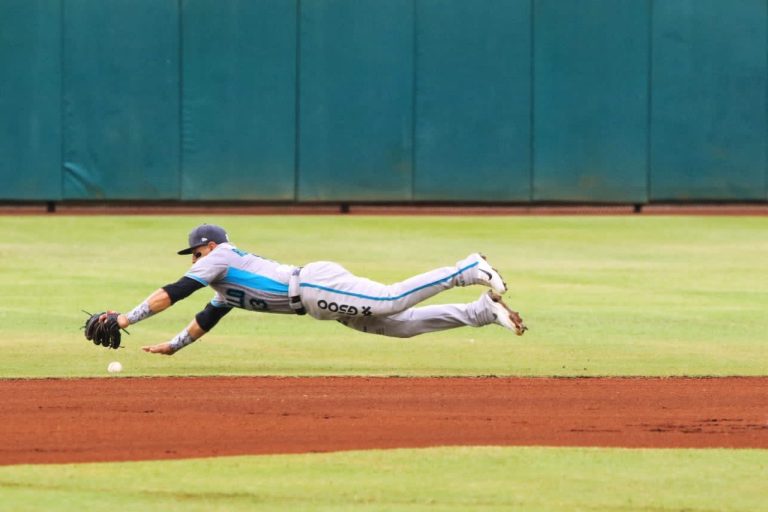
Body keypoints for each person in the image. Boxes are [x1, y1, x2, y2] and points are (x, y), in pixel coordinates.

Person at [105, 224, 527, 355]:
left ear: (208, 247)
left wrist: (126, 318)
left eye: (194, 252)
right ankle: (481, 312)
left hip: (312, 285)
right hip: (319, 303)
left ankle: (465, 269)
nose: (193, 260)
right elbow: (208, 315)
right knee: (400, 325)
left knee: (389, 299)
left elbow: (174, 292)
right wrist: (175, 346)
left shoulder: (221, 256)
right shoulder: (223, 281)